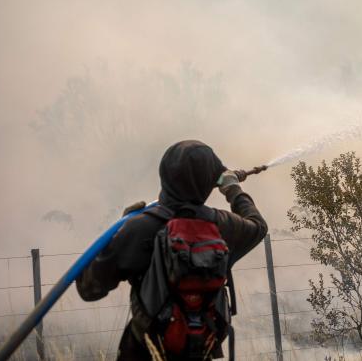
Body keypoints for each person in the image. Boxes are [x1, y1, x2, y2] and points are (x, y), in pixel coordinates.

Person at [76, 140, 267, 360]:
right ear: (209, 182)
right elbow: (258, 226)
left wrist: (120, 233)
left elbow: (89, 289)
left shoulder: (141, 226)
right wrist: (234, 190)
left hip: (144, 351)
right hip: (200, 351)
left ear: (164, 174)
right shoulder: (223, 226)